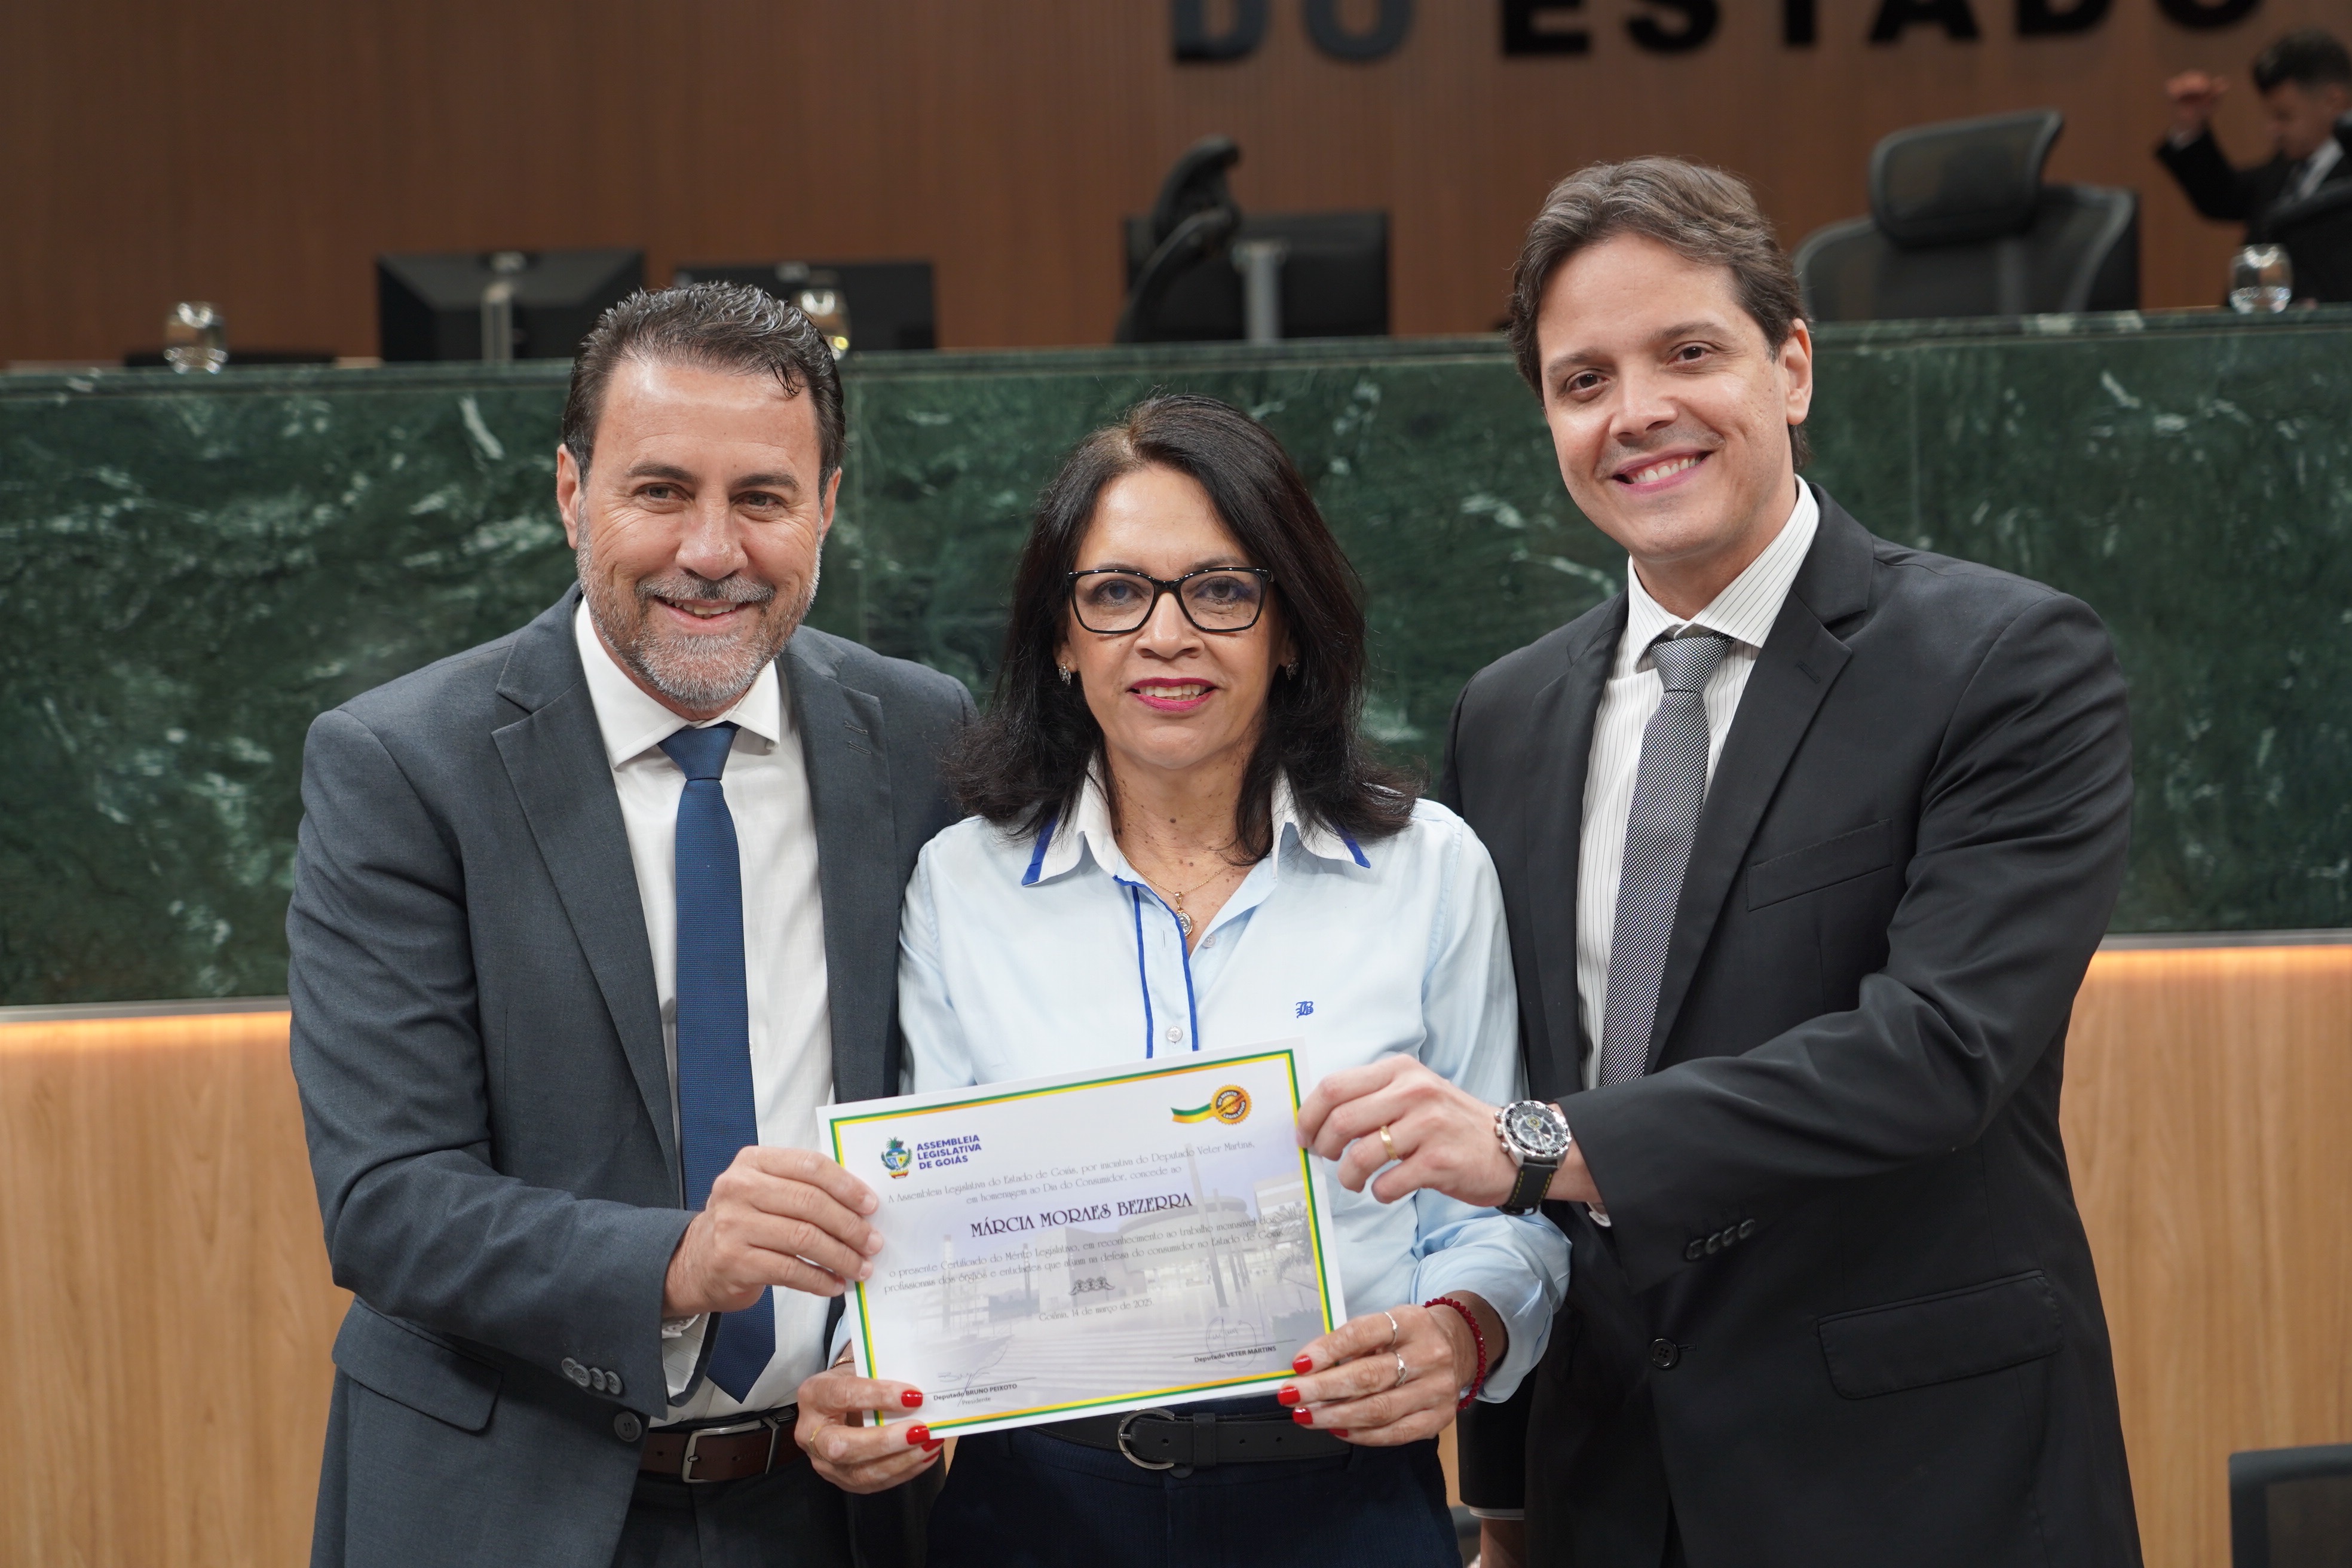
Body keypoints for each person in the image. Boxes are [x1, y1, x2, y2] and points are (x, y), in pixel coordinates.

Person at [1296, 159, 2140, 1567]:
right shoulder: (1507, 714)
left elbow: (1937, 1052)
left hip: (1922, 1481)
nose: (1637, 411)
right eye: (1583, 380)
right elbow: (1507, 1077)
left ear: (1791, 366)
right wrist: (1504, 1496)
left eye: (1688, 352)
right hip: (1608, 1491)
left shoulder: (2004, 661)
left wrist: (1539, 1145)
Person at [792, 394, 1569, 1567]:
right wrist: (868, 1376)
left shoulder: (1431, 869)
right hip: (1037, 1506)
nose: (1166, 635)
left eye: (1220, 589)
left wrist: (1464, 1330)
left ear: (1289, 626)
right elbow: (921, 1219)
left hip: (1343, 1495)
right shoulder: (961, 881)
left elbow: (1504, 1211)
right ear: (1062, 640)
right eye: (1115, 593)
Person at [288, 283, 969, 1568]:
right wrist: (679, 1260)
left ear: (827, 505)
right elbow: (387, 1199)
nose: (711, 549)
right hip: (505, 1505)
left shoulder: (923, 733)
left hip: (837, 1504)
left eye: (763, 497)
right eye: (660, 491)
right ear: (571, 492)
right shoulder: (402, 765)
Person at [2157, 28, 2352, 298]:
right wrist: (2191, 127)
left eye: (2284, 116)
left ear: (2333, 101)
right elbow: (2221, 196)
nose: (2272, 130)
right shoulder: (2287, 168)